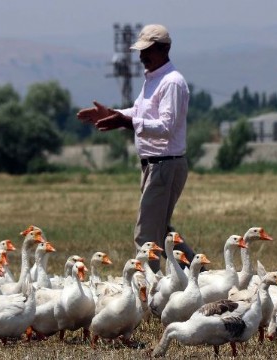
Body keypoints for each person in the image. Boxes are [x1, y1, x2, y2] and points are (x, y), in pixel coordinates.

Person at [77, 24, 196, 273]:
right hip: (155, 165)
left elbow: (167, 127)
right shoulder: (152, 79)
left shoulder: (171, 82)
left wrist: (125, 121)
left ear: (164, 49)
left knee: (146, 237)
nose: (141, 56)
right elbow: (139, 113)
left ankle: (148, 293)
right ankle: (200, 275)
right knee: (161, 231)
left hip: (165, 164)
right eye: (140, 51)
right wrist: (113, 114)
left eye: (147, 50)